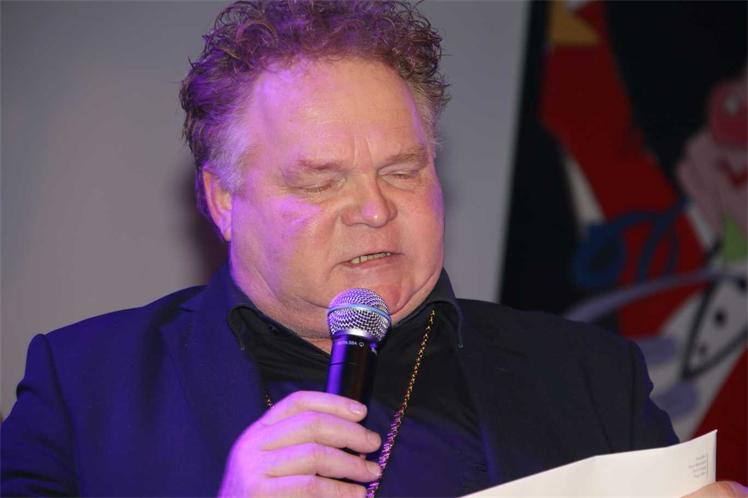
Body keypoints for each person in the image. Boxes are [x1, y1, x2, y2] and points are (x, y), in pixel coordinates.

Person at [1, 1, 744, 497]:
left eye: (403, 170)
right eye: (321, 181)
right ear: (224, 200)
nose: (374, 209)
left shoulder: (591, 377)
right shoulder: (85, 385)